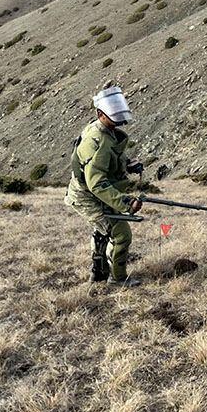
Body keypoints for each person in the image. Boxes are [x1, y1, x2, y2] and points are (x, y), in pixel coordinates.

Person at [64, 85, 144, 286]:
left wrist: (127, 163)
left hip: (94, 193)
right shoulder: (96, 140)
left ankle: (99, 274)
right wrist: (125, 203)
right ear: (100, 113)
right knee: (120, 234)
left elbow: (110, 157)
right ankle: (117, 278)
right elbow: (97, 183)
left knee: (103, 232)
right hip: (88, 197)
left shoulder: (104, 130)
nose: (118, 117)